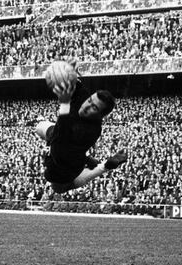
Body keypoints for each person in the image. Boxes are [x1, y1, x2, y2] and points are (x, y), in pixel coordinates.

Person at [35, 61, 127, 193]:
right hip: (64, 142)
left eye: (94, 108)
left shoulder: (89, 131)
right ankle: (87, 159)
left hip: (66, 163)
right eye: (90, 100)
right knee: (39, 126)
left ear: (100, 116)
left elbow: (59, 150)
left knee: (58, 188)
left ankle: (104, 166)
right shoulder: (84, 97)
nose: (86, 106)